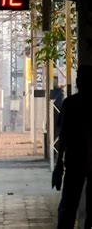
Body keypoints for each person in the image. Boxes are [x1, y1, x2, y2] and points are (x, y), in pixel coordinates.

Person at [52, 65, 92, 229]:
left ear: (78, 82)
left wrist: (59, 165)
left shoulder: (70, 104)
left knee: (68, 205)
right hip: (84, 162)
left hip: (75, 161)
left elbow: (63, 136)